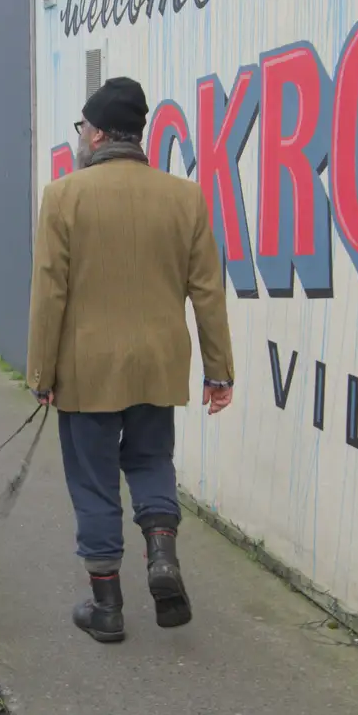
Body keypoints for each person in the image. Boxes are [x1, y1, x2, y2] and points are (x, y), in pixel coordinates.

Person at [25, 76, 235, 644]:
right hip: (158, 366)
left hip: (86, 370)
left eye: (82, 128)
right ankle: (161, 557)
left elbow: (50, 292)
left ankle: (108, 606)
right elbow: (207, 290)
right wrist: (219, 371)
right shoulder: (184, 196)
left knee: (94, 482)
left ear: (95, 133)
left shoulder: (64, 196)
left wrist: (41, 374)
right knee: (150, 462)